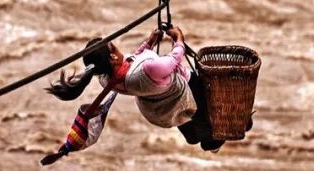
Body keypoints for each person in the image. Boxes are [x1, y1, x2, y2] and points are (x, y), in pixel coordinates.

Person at [46, 26, 226, 151]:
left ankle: (194, 137)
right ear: (112, 57)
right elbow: (174, 60)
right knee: (206, 112)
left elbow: (131, 61)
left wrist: (149, 42)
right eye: (113, 47)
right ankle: (212, 142)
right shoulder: (148, 70)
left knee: (188, 124)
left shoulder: (106, 79)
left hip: (160, 110)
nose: (118, 48)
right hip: (182, 94)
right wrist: (178, 38)